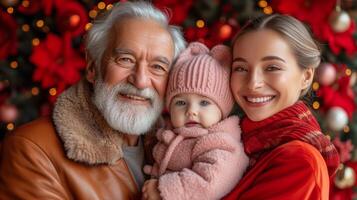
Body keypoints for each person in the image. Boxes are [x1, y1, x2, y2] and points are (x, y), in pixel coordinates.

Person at [0, 1, 186, 199]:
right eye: (126, 59)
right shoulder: (33, 149)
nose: (140, 81)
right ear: (92, 67)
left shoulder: (177, 149)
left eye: (157, 67)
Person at [224, 14, 340, 200]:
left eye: (272, 68)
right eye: (241, 68)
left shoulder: (299, 160)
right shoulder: (236, 141)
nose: (253, 83)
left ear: (306, 77)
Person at [141, 42, 249, 200]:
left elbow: (209, 183)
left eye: (204, 103)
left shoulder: (221, 143)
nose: (191, 111)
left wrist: (161, 189)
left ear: (222, 110)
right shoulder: (170, 134)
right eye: (181, 103)